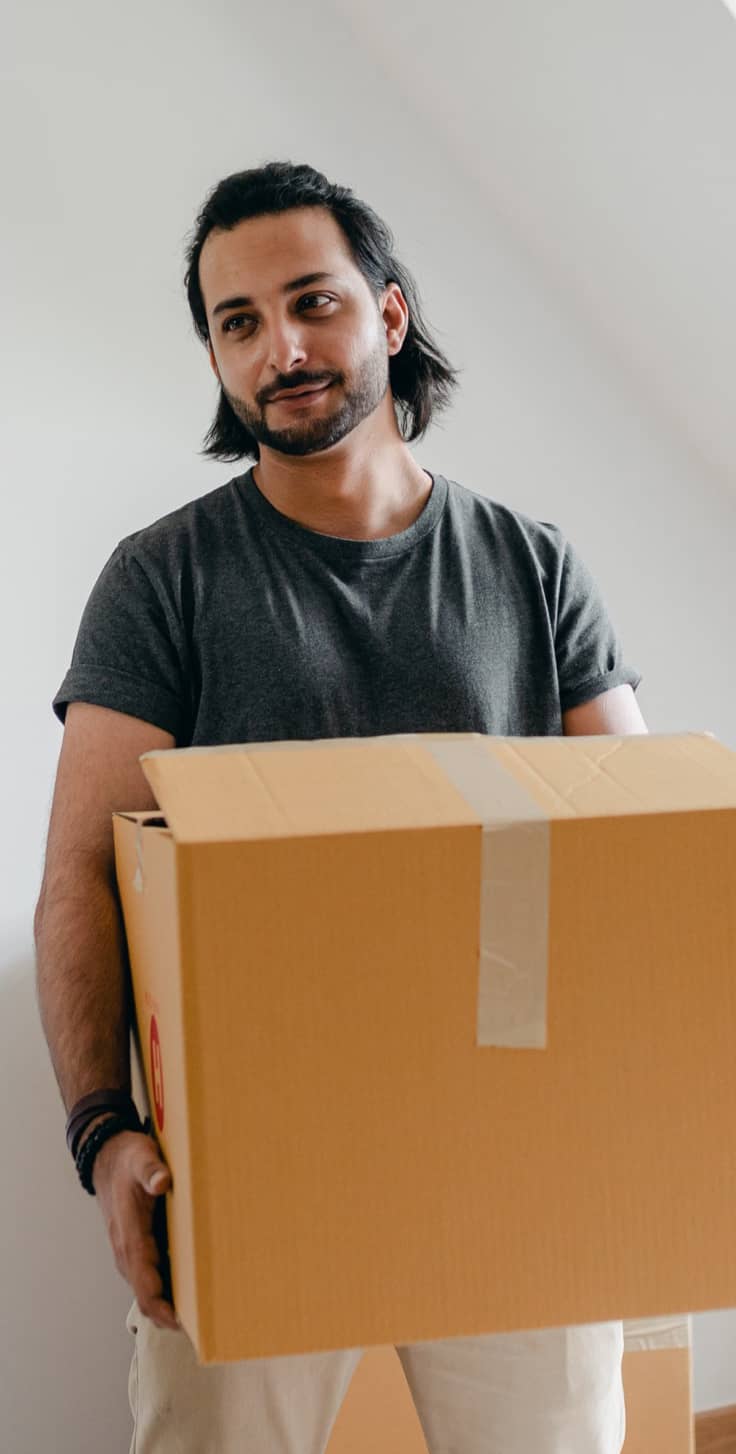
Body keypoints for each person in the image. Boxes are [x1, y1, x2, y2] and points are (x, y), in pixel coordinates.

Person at [35, 160, 647, 1454]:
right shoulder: (162, 579)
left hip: (510, 1157)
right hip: (250, 1159)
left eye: (310, 301)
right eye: (237, 321)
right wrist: (104, 1134)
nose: (280, 346)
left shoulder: (532, 568)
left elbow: (640, 851)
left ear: (389, 314)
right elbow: (81, 876)